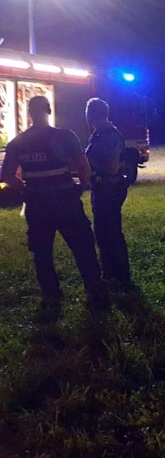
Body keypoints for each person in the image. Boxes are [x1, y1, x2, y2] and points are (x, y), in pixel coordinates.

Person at [0, 96, 107, 312]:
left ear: (29, 113)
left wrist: (26, 187)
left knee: (42, 251)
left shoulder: (18, 143)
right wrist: (80, 187)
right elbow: (83, 168)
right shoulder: (65, 136)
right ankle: (94, 289)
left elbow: (6, 175)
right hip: (66, 200)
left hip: (37, 204)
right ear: (49, 110)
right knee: (83, 246)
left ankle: (51, 294)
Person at [85, 97, 131, 287]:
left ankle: (121, 275)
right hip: (102, 190)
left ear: (91, 115)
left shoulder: (109, 135)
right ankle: (110, 273)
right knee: (103, 233)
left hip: (109, 190)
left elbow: (112, 167)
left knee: (111, 233)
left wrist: (85, 159)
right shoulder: (98, 135)